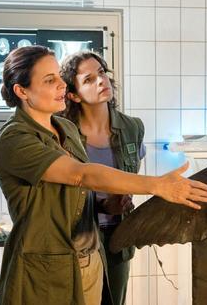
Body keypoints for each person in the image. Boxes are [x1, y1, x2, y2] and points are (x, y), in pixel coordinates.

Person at [0, 45, 207, 305]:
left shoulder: (64, 128)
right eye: (49, 80)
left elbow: (69, 194)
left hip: (90, 259)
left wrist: (102, 204)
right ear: (21, 91)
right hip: (46, 269)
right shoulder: (15, 138)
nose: (61, 85)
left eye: (59, 78)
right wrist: (157, 185)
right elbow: (79, 175)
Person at [58, 51, 141, 305]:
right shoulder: (62, 132)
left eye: (102, 73)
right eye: (89, 79)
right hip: (79, 239)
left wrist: (122, 203)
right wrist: (104, 205)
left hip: (118, 236)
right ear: (73, 94)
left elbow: (130, 179)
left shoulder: (132, 128)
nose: (101, 81)